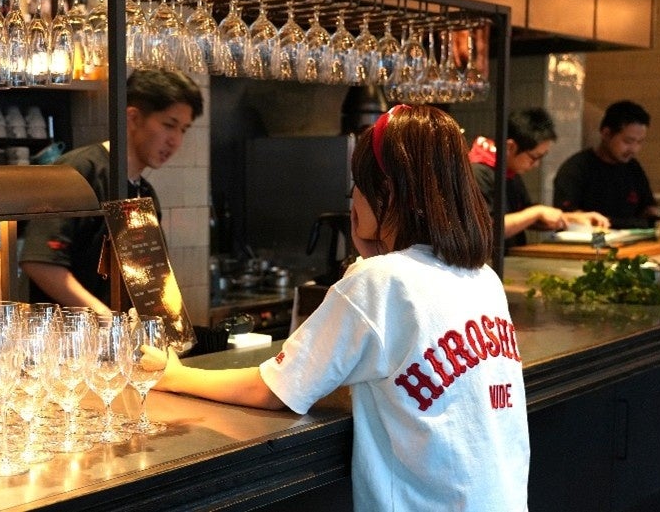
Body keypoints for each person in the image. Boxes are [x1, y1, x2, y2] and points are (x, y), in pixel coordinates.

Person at [153, 105, 530, 511]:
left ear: (386, 192)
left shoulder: (379, 281)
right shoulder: (483, 278)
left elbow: (276, 389)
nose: (352, 201)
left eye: (357, 186)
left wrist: (174, 375)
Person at [20, 69, 204, 315]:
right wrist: (106, 319)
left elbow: (148, 282)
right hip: (67, 335)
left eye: (183, 129)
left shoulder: (144, 192)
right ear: (133, 118)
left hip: (121, 335)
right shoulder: (78, 171)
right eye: (169, 125)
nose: (176, 141)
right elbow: (40, 262)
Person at [469, 108, 609, 249]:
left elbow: (523, 216)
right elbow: (486, 229)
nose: (536, 164)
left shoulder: (509, 172)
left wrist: (571, 218)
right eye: (534, 157)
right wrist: (536, 213)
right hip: (488, 261)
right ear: (510, 147)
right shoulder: (477, 173)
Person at [553, 100, 660, 228]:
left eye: (640, 142)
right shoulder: (576, 168)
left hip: (631, 238)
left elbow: (648, 208)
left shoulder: (633, 167)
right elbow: (566, 216)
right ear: (606, 134)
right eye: (628, 141)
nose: (634, 149)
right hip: (593, 237)